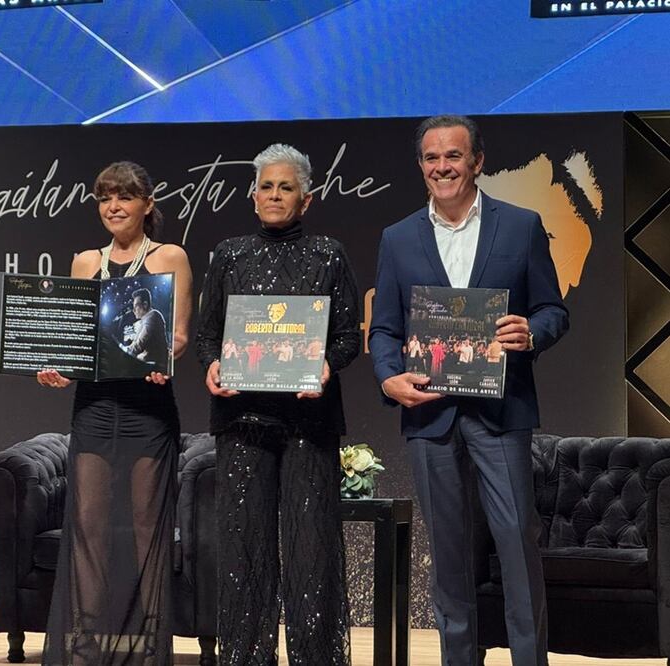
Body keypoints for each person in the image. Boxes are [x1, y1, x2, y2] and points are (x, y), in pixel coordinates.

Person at [369, 114, 569, 666]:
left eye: (453, 156)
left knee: (516, 543)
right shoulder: (398, 237)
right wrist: (389, 376)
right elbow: (384, 326)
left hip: (502, 414)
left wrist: (533, 330)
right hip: (429, 417)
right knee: (449, 555)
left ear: (477, 161)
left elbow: (553, 308)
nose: (442, 167)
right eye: (432, 158)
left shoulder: (521, 225)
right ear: (421, 167)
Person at [196, 143, 359, 665]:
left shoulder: (329, 254)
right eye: (266, 186)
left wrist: (329, 366)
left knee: (312, 555)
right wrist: (213, 366)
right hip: (243, 423)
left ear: (306, 199)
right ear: (252, 196)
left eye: (285, 186)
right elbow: (207, 335)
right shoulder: (229, 254)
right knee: (243, 555)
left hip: (309, 423)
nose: (274, 195)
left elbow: (347, 336)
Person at [35, 161, 192, 665]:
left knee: (149, 526)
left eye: (124, 196)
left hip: (148, 409)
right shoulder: (85, 262)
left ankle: (148, 647)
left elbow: (181, 333)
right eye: (105, 198)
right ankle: (83, 646)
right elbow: (77, 342)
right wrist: (58, 367)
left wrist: (168, 357)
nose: (114, 206)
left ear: (147, 204)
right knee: (89, 525)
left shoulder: (171, 256)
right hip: (96, 409)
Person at [119, 287, 169, 364]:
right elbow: (135, 342)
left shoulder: (152, 316)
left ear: (145, 304)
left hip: (155, 365)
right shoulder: (146, 319)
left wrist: (122, 351)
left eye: (136, 306)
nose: (134, 310)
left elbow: (139, 344)